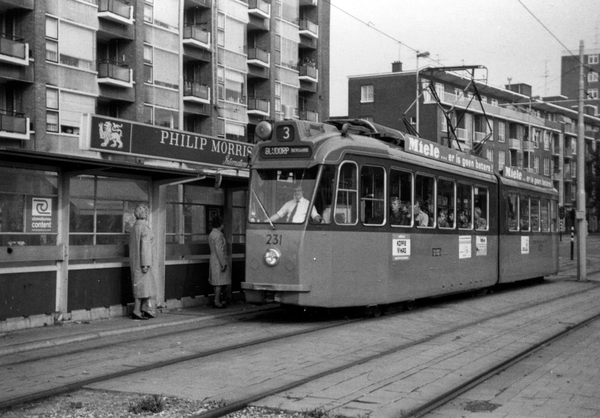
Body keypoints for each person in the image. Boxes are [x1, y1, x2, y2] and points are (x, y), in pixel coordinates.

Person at [129, 204, 157, 320]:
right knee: (142, 288)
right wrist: (146, 264)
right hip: (143, 263)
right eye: (145, 211)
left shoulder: (134, 227)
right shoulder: (144, 228)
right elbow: (145, 247)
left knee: (142, 287)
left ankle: (144, 309)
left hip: (135, 262)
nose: (146, 213)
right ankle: (137, 311)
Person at [208, 215, 231, 309]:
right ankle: (217, 302)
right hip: (218, 260)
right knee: (219, 283)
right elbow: (219, 250)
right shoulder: (218, 235)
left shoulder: (212, 234)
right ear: (220, 224)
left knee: (216, 282)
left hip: (213, 259)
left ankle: (216, 300)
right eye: (223, 223)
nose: (224, 225)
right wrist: (223, 263)